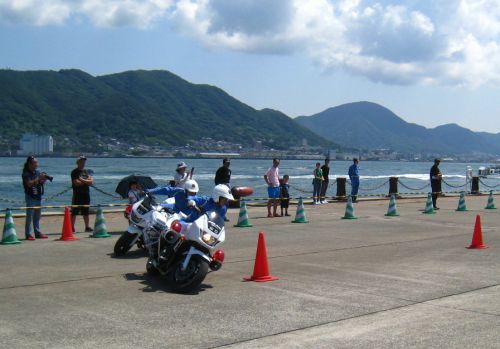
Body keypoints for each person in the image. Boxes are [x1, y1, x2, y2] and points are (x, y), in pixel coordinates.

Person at [22, 156, 50, 240]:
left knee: (37, 217)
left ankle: (37, 233)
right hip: (30, 196)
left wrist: (44, 179)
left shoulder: (37, 172)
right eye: (35, 163)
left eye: (36, 163)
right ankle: (28, 234)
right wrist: (38, 178)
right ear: (30, 164)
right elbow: (29, 184)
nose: (36, 164)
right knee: (29, 217)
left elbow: (40, 183)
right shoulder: (25, 173)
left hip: (38, 196)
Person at [71, 155, 94, 232]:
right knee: (74, 211)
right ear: (78, 162)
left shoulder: (86, 171)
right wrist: (86, 181)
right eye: (81, 161)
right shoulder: (74, 172)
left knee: (86, 211)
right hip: (77, 194)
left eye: (84, 161)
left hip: (86, 193)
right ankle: (71, 227)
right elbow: (76, 183)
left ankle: (87, 227)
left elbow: (91, 182)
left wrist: (82, 180)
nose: (83, 163)